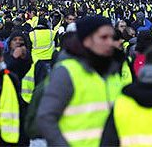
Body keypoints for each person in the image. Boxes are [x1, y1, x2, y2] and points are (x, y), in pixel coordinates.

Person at [37, 15, 123, 146]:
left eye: (112, 37)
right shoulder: (66, 72)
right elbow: (45, 118)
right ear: (87, 40)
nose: (110, 42)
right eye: (103, 37)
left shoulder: (113, 72)